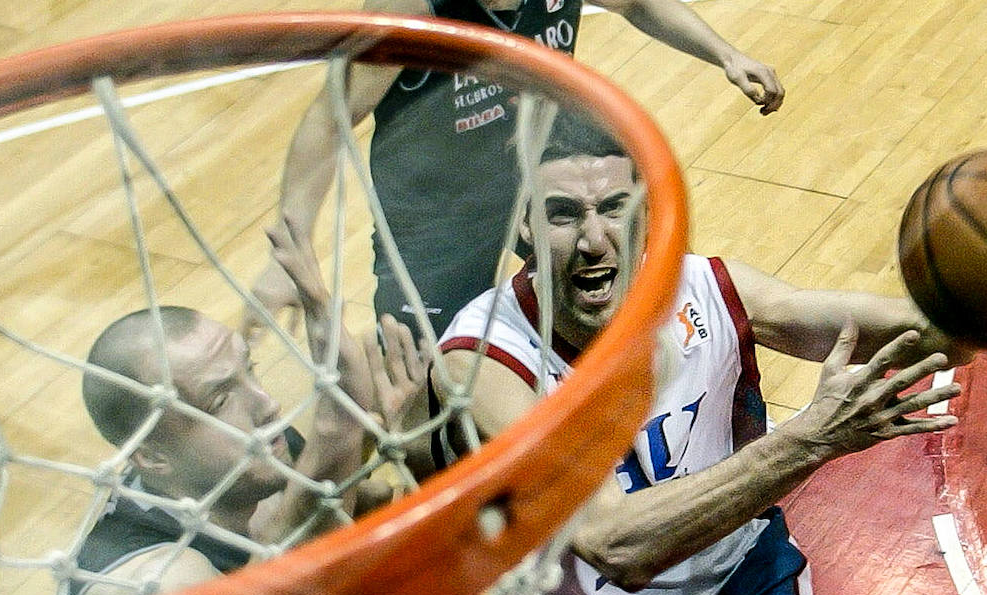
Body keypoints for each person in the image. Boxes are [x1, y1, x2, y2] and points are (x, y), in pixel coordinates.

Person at [432, 115, 973, 595]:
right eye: (562, 214)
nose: (594, 239)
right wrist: (808, 441)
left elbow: (920, 336)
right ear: (520, 226)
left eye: (613, 208)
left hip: (743, 588)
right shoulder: (488, 360)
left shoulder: (707, 291)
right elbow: (614, 543)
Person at [70, 222, 428, 595]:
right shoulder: (155, 585)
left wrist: (407, 444)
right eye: (219, 400)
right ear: (152, 455)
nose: (264, 405)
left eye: (249, 371)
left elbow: (363, 495)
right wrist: (340, 433)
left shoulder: (248, 473)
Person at [246, 0, 785, 341]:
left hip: (534, 183)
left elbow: (638, 3)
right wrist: (285, 252)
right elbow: (328, 118)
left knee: (610, 300)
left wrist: (725, 54)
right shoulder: (411, 7)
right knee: (423, 376)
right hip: (435, 214)